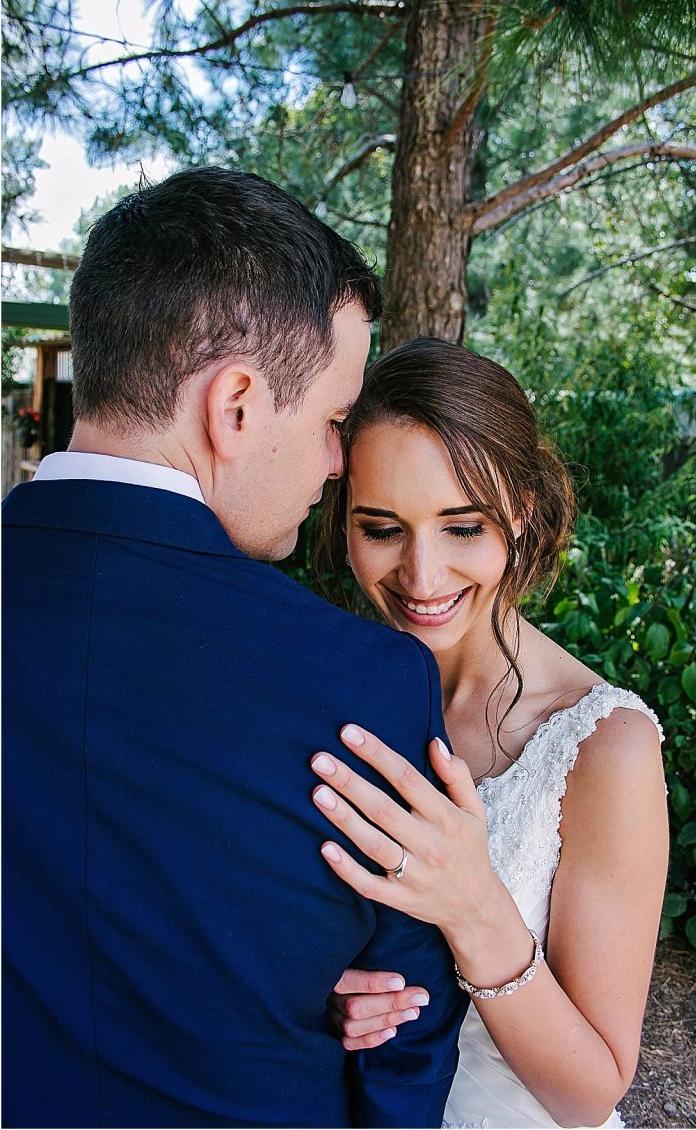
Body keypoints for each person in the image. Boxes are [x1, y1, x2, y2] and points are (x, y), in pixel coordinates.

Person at [2, 170, 467, 1129]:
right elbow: (406, 1036)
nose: (336, 462)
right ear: (237, 405)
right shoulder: (367, 683)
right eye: (333, 420)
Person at [309, 338, 670, 1129]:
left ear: (523, 512)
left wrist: (473, 906)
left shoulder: (603, 747)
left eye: (462, 527)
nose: (422, 576)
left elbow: (591, 1092)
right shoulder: (332, 696)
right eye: (383, 528)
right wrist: (336, 999)